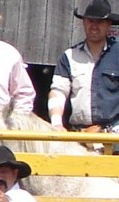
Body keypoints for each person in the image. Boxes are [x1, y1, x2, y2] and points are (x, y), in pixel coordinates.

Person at [48, 0, 119, 149]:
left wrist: (108, 131)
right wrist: (56, 124)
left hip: (115, 140)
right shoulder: (69, 56)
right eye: (90, 21)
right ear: (84, 23)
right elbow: (58, 91)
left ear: (109, 24)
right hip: (78, 139)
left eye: (99, 22)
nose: (94, 26)